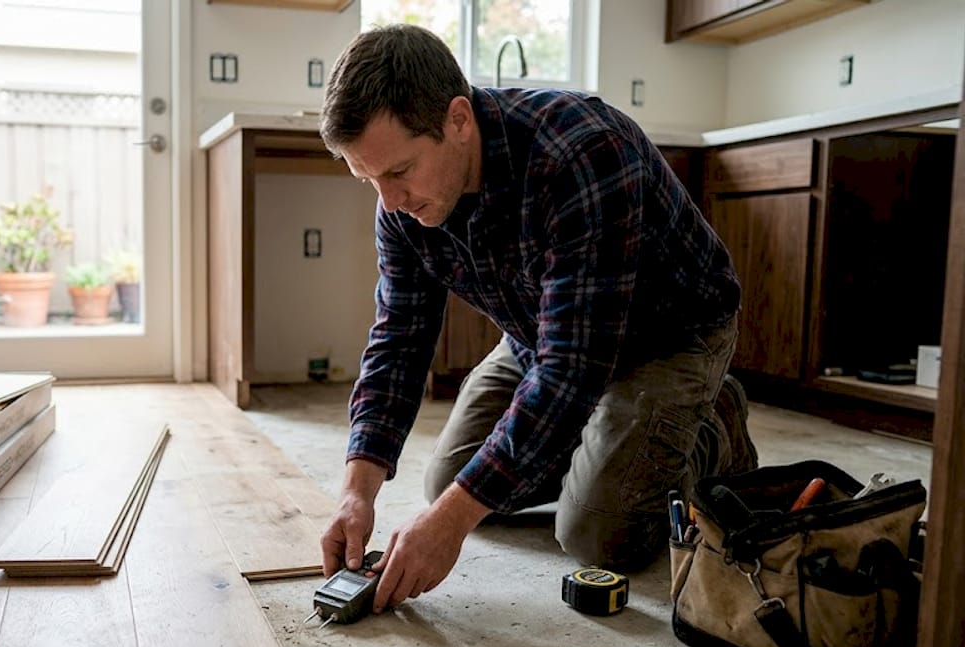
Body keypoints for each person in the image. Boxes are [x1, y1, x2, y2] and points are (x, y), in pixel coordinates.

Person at [316, 23, 758, 615]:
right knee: (446, 480)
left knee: (599, 533)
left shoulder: (581, 153)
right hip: (543, 333)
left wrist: (450, 525)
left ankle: (714, 425)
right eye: (367, 179)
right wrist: (356, 491)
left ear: (458, 120)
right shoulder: (398, 204)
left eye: (397, 172)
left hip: (669, 336)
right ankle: (595, 444)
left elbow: (572, 372)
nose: (388, 201)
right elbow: (398, 338)